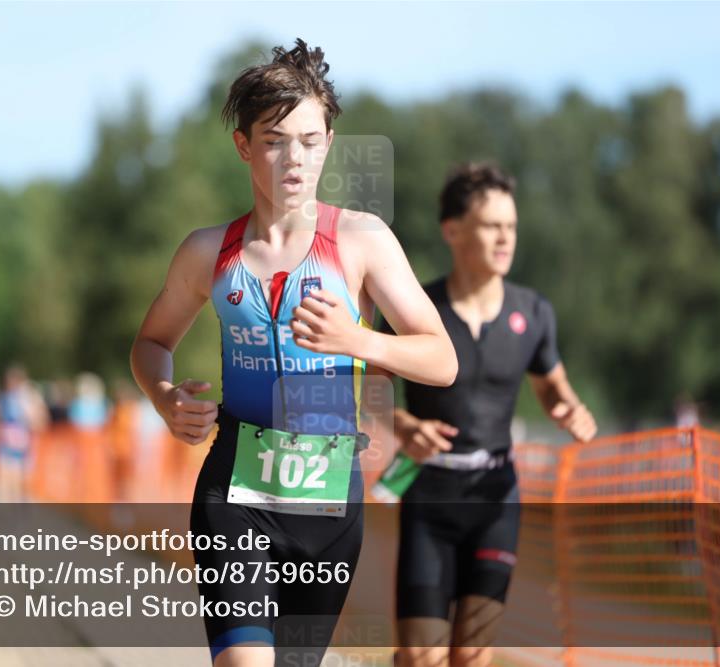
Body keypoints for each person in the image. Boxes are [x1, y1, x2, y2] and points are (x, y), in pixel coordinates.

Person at [130, 39, 456, 667]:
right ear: (244, 146)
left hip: (329, 507)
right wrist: (163, 397)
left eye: (310, 139)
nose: (295, 158)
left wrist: (356, 339)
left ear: (329, 141)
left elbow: (441, 358)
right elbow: (151, 343)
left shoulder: (361, 241)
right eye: (276, 140)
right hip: (234, 494)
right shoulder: (207, 252)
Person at [374, 162, 597, 667]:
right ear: (452, 230)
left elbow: (552, 385)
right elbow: (370, 389)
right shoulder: (415, 308)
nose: (505, 238)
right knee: (418, 656)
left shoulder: (534, 312)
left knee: (472, 656)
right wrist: (406, 426)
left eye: (511, 226)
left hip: (497, 499)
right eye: (492, 225)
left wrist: (570, 407)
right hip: (428, 495)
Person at [0, 365, 48, 502]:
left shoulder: (27, 398)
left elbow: (39, 421)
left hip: (22, 443)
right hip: (6, 442)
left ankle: (17, 509)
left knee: (19, 479)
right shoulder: (4, 398)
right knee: (6, 478)